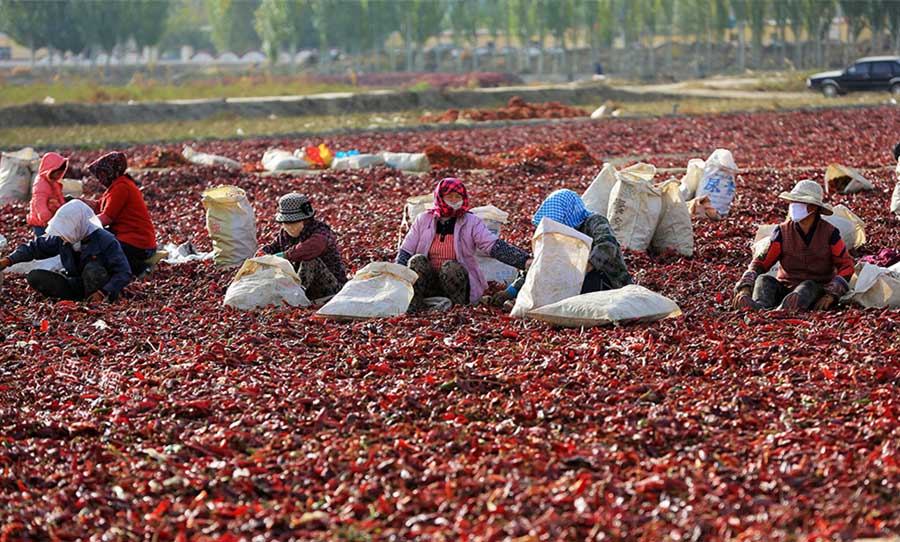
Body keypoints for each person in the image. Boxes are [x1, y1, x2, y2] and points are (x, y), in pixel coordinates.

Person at [396, 177, 531, 310]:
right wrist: (396, 278)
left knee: (450, 267)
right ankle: (415, 305)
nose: (454, 200)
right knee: (417, 261)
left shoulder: (471, 221)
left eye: (458, 197)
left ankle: (457, 307)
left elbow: (492, 245)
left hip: (456, 282)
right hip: (429, 282)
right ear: (440, 197)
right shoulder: (424, 219)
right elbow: (406, 250)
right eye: (450, 196)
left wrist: (524, 261)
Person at [492, 189, 632, 308]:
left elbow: (607, 246)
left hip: (606, 278)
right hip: (572, 279)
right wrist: (511, 291)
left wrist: (584, 268)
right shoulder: (557, 234)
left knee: (578, 290)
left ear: (569, 213)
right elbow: (540, 263)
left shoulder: (594, 222)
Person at [732, 180, 854, 312]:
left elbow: (846, 266)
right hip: (785, 287)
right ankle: (761, 306)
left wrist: (831, 295)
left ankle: (784, 308)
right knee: (764, 279)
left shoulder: (829, 233)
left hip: (815, 290)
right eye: (792, 202)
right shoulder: (782, 232)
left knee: (808, 285)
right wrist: (745, 287)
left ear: (813, 207)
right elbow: (761, 263)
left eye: (798, 202)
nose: (792, 206)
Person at [0, 200, 132, 303]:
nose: (62, 236)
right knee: (35, 277)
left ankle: (92, 301)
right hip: (76, 283)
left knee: (93, 269)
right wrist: (9, 260)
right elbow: (36, 247)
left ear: (78, 225)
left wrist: (103, 292)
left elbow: (124, 272)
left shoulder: (106, 241)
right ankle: (77, 298)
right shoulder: (66, 237)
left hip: (101, 288)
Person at [259, 193, 348, 302]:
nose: (290, 227)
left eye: (294, 223)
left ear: (306, 220)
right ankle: (290, 295)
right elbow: (272, 247)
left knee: (310, 260)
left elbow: (312, 247)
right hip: (303, 287)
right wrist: (262, 255)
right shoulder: (284, 234)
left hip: (330, 288)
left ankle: (295, 297)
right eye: (286, 223)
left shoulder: (321, 231)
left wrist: (285, 255)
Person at [84, 152, 158, 276]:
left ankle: (139, 268)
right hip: (130, 239)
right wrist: (79, 202)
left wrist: (84, 225)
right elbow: (99, 206)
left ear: (109, 172)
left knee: (100, 253)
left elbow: (107, 217)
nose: (100, 179)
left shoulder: (121, 187)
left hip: (138, 243)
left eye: (101, 174)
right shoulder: (116, 186)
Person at [26, 152, 69, 237]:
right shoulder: (41, 185)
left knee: (51, 241)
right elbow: (40, 205)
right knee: (42, 241)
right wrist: (48, 221)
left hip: (51, 220)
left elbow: (59, 198)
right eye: (57, 173)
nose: (59, 175)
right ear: (50, 171)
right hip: (41, 223)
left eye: (61, 173)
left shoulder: (53, 182)